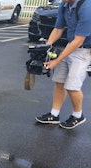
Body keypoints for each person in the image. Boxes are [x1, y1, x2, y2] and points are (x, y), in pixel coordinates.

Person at [36, 0, 91, 129]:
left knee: (72, 86)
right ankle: (54, 115)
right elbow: (58, 28)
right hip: (70, 46)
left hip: (83, 50)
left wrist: (57, 60)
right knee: (59, 81)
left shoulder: (87, 7)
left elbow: (79, 41)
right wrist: (46, 48)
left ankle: (78, 115)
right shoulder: (65, 5)